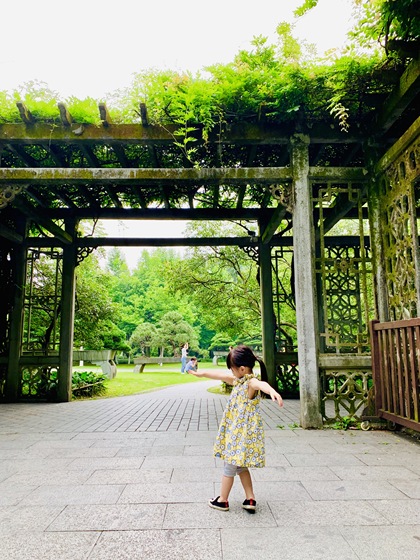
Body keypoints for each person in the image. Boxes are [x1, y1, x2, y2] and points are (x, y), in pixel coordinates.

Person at [190, 345, 283, 513]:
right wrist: (201, 373)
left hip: (239, 436)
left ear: (242, 369)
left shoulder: (250, 383)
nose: (230, 372)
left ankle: (222, 500)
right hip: (238, 434)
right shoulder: (238, 381)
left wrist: (272, 391)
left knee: (229, 467)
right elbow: (219, 375)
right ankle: (250, 498)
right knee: (241, 467)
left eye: (232, 369)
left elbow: (261, 384)